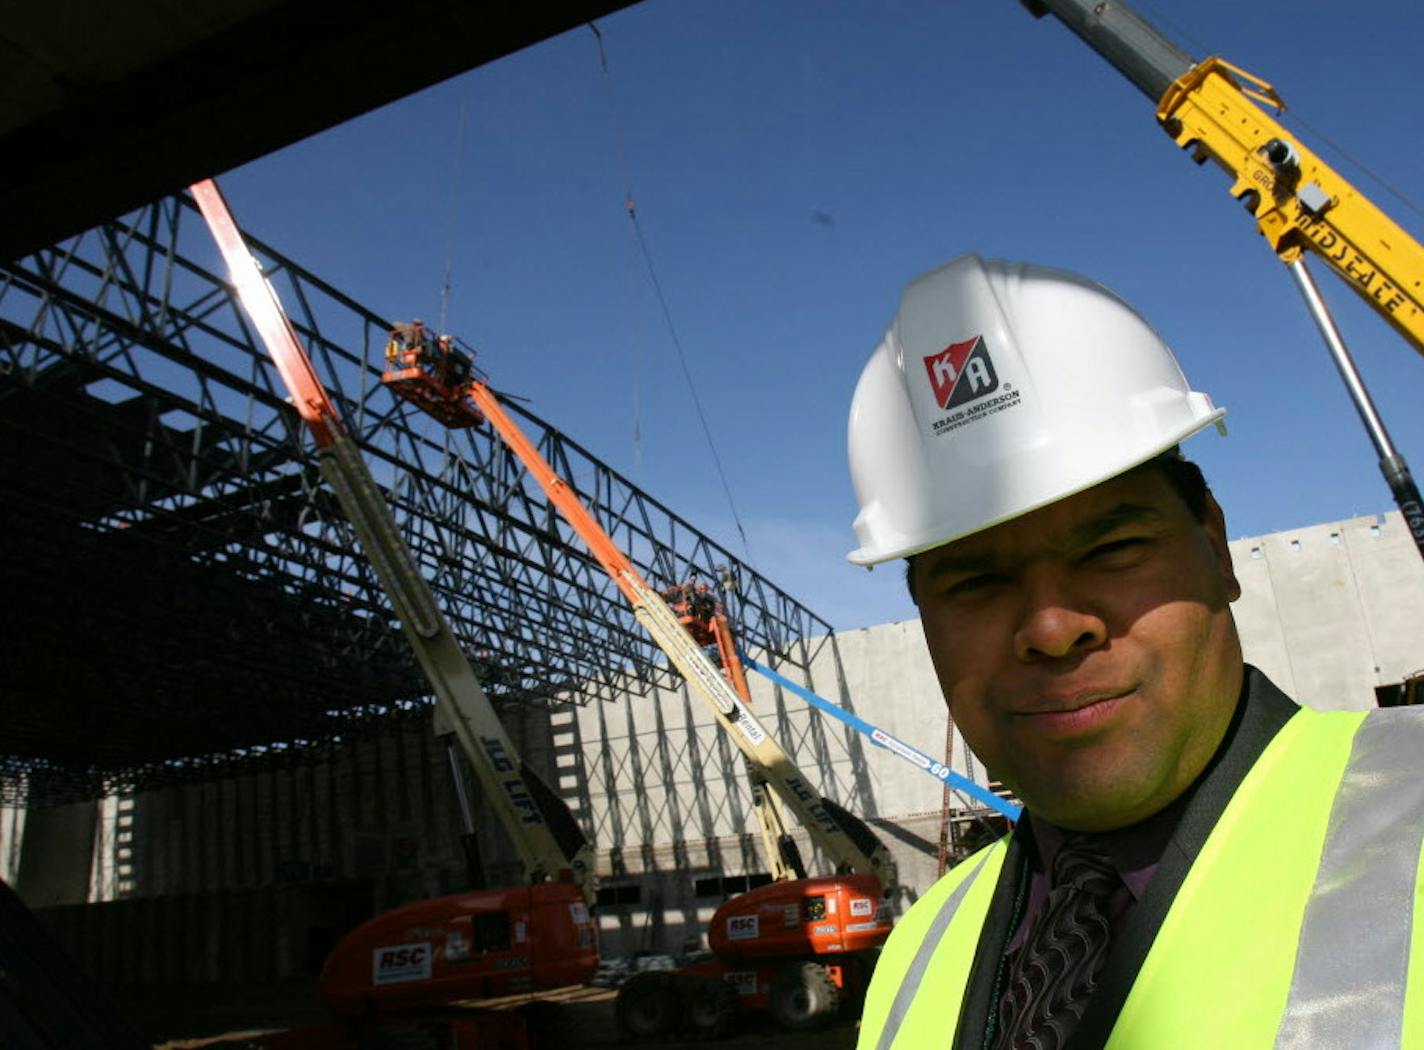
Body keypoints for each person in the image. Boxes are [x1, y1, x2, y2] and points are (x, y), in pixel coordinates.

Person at [849, 254, 1424, 1049]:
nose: (1052, 628)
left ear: (1216, 549)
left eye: (1113, 548)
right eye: (975, 582)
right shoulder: (921, 947)